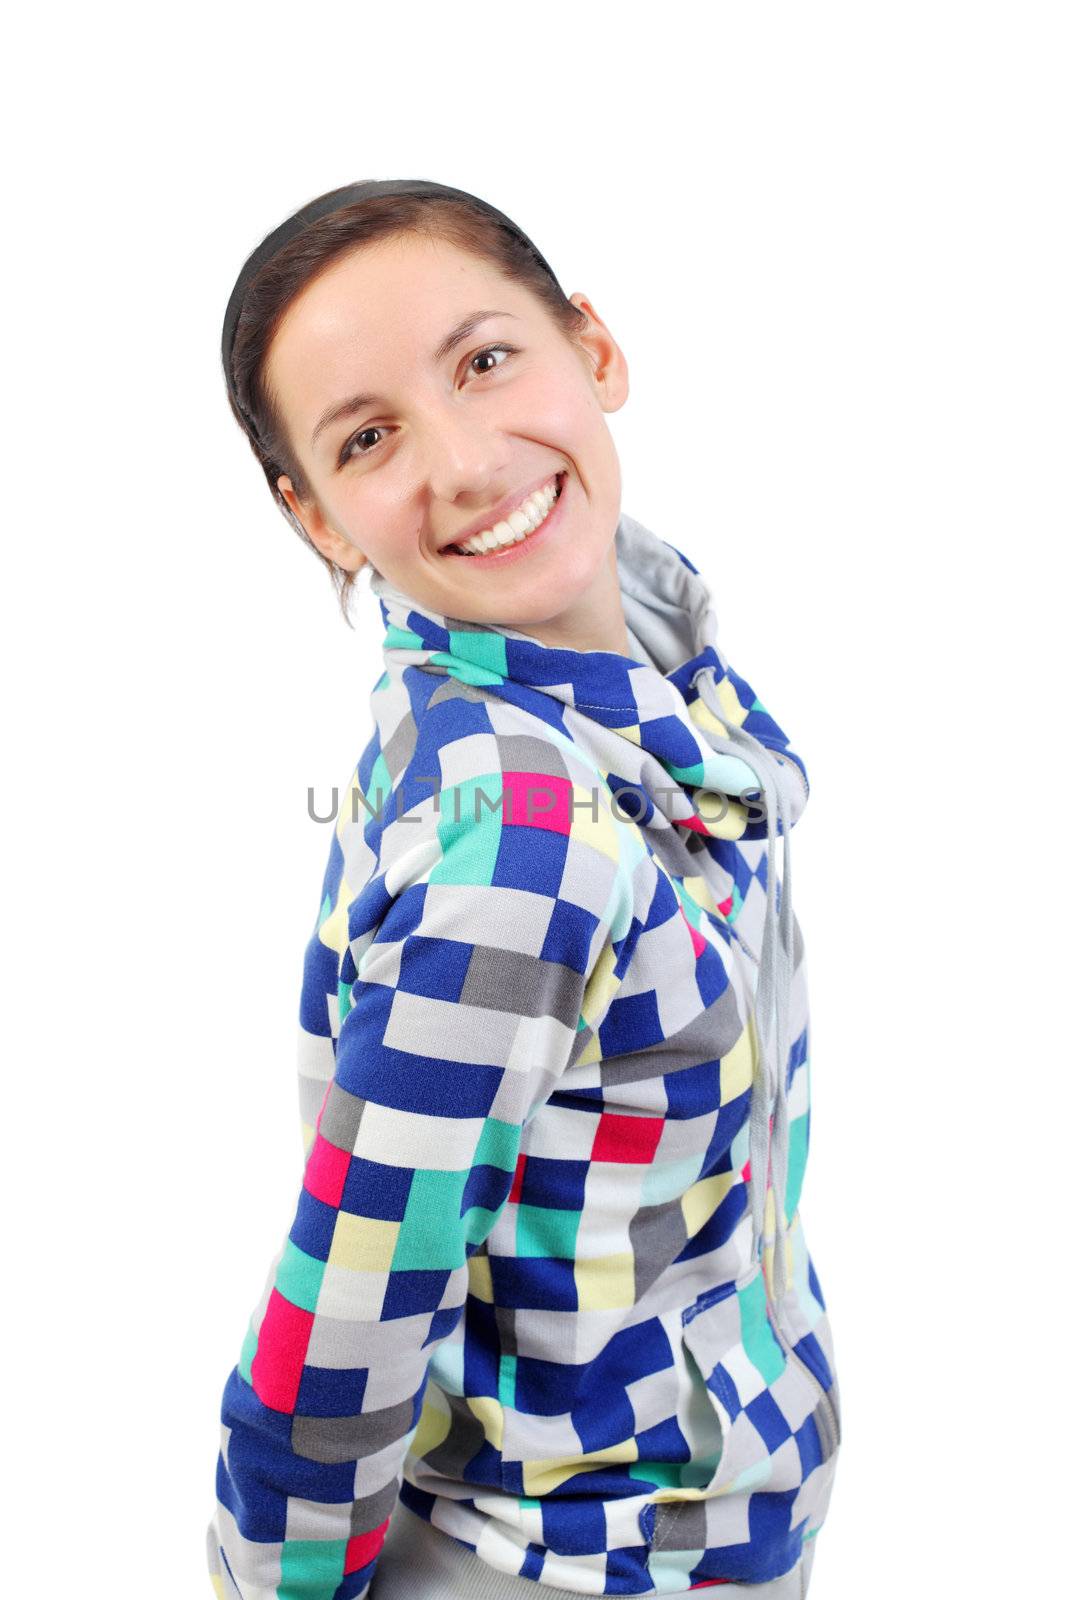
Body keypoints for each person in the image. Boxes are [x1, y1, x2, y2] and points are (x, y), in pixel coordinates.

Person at [206, 178, 841, 1600]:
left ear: (593, 349)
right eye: (368, 438)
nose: (469, 462)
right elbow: (351, 1304)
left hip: (713, 1523)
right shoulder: (523, 828)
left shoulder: (666, 695)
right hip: (568, 1569)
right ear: (317, 517)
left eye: (486, 361)